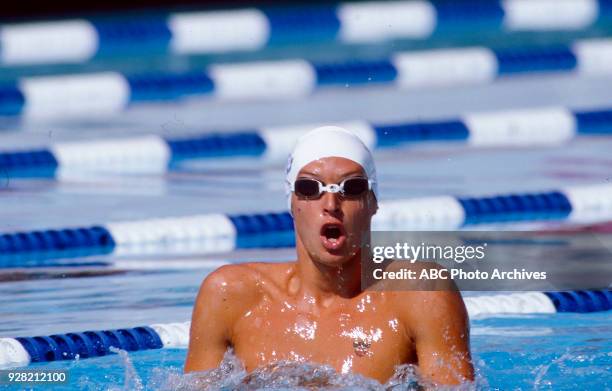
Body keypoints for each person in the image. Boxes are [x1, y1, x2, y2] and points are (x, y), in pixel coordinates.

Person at [184, 126, 474, 385]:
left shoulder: (420, 294)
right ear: (292, 203)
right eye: (310, 188)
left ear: (373, 202)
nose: (331, 203)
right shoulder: (231, 297)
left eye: (351, 188)